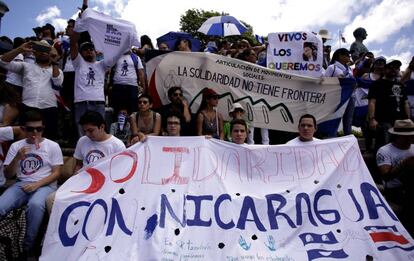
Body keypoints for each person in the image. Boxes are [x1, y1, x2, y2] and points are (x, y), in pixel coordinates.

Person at [0, 111, 63, 254]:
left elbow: (57, 173)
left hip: (45, 185)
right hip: (21, 184)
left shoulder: (52, 146)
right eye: (30, 129)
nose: (35, 133)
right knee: (1, 205)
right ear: (23, 129)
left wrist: (37, 185)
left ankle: (28, 247)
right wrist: (17, 158)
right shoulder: (16, 146)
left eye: (39, 129)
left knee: (35, 205)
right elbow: (8, 175)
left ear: (43, 128)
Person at [0, 41, 63, 140]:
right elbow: (3, 62)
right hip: (27, 108)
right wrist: (20, 49)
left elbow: (57, 82)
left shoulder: (58, 71)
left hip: (49, 109)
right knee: (25, 139)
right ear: (34, 52)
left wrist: (54, 62)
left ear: (51, 53)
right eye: (39, 49)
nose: (42, 52)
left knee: (48, 140)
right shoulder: (26, 66)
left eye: (46, 49)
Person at [376, 119, 414, 235]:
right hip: (396, 191)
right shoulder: (385, 151)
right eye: (407, 137)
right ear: (398, 136)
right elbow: (386, 176)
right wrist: (403, 164)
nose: (410, 139)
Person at [368, 59, 410, 151]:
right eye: (391, 67)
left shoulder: (400, 85)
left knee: (400, 145)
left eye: (397, 68)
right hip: (383, 120)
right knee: (384, 146)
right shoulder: (377, 84)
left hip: (400, 121)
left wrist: (408, 118)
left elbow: (406, 103)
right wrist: (372, 119)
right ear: (384, 69)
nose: (394, 70)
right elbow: (372, 102)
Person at [324, 48, 355, 136]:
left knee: (348, 119)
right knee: (334, 118)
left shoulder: (349, 69)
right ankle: (331, 137)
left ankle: (348, 138)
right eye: (347, 55)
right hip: (335, 98)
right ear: (340, 56)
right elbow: (324, 82)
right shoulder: (332, 67)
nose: (349, 57)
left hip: (350, 97)